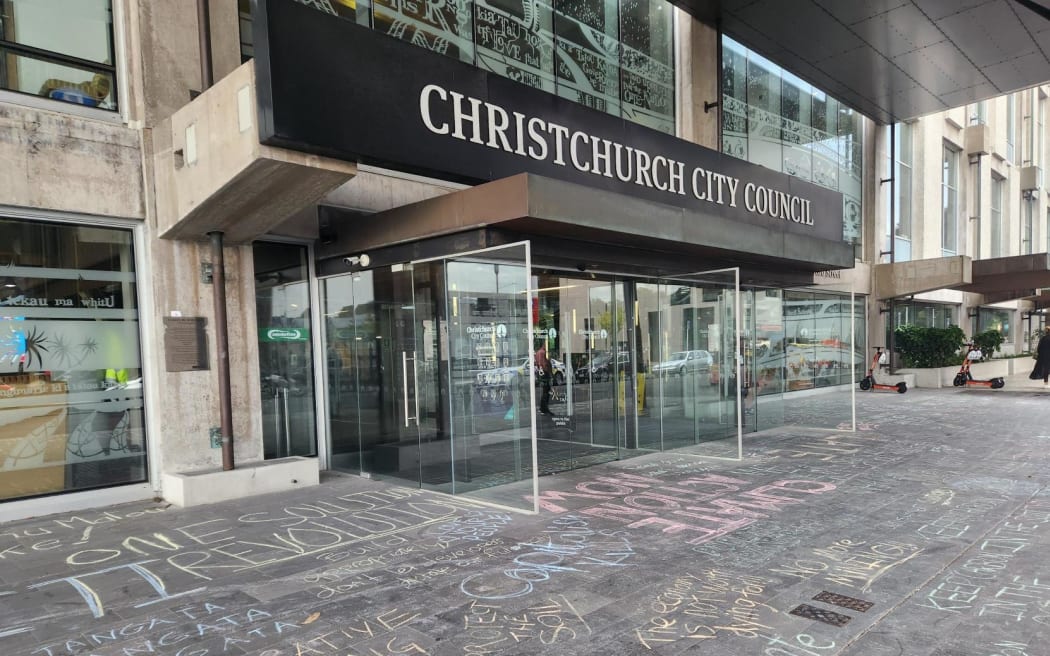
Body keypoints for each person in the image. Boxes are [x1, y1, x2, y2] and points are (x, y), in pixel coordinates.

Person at [534, 343, 552, 414]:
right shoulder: (542, 352)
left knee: (545, 390)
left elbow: (539, 364)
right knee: (546, 391)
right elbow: (543, 364)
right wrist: (548, 372)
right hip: (544, 373)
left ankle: (543, 408)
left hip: (542, 372)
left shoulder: (538, 352)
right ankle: (544, 408)